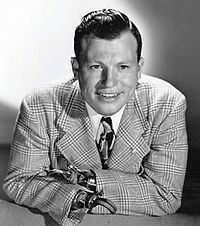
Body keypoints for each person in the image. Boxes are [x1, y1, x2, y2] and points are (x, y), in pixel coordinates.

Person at [3, 9, 188, 225]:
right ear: (76, 68)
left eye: (123, 67)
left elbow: (166, 196)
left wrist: (88, 181)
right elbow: (19, 181)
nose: (109, 82)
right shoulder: (39, 104)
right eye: (96, 66)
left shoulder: (166, 104)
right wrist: (80, 199)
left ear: (139, 69)